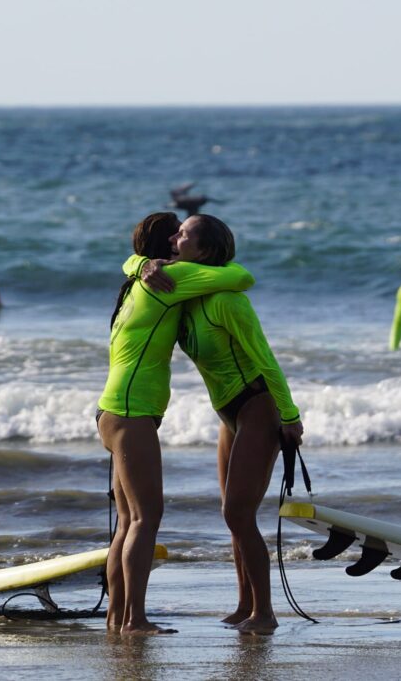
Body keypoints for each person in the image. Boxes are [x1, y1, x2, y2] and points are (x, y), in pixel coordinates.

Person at [129, 214, 303, 635]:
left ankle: (266, 613)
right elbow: (133, 261)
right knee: (233, 516)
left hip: (258, 408)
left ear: (204, 250)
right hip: (228, 412)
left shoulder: (228, 299)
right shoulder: (187, 291)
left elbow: (265, 360)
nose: (174, 238)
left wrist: (291, 416)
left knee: (238, 513)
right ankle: (245, 604)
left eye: (183, 234)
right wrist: (142, 265)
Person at [97, 212, 255, 636]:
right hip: (131, 412)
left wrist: (138, 263)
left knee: (129, 522)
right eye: (171, 233)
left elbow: (129, 261)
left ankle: (117, 619)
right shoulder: (171, 281)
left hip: (113, 410)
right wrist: (150, 264)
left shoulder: (135, 283)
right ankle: (135, 620)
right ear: (162, 248)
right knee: (147, 518)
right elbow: (239, 276)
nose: (175, 238)